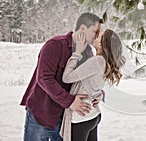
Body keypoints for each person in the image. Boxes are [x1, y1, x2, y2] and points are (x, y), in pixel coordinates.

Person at [20, 12, 103, 141]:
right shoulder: (54, 45)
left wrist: (99, 94)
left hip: (66, 118)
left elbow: (88, 81)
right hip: (42, 114)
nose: (97, 36)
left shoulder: (88, 52)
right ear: (82, 28)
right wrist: (70, 101)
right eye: (95, 31)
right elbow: (44, 78)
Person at [60, 29, 125, 141]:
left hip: (81, 117)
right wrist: (98, 95)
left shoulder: (97, 61)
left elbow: (67, 78)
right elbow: (93, 84)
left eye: (99, 35)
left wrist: (77, 53)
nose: (95, 35)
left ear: (101, 44)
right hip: (92, 115)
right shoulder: (106, 61)